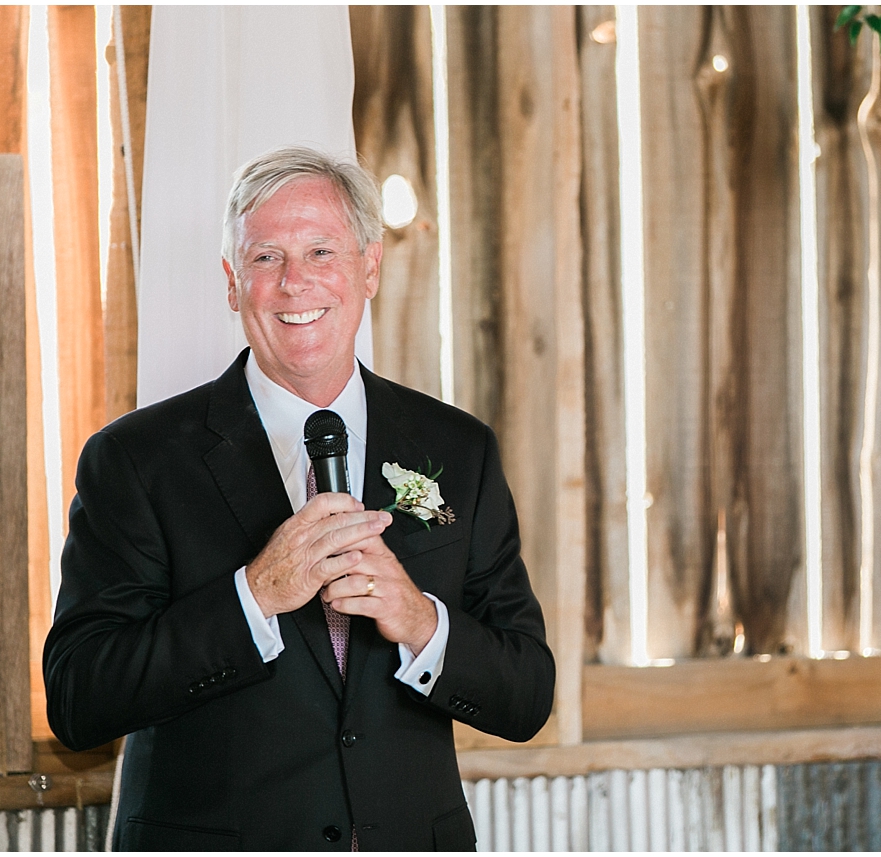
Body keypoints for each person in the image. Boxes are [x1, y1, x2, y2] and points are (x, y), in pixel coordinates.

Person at [43, 146, 555, 851]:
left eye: (321, 251)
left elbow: (526, 694)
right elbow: (78, 697)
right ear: (232, 283)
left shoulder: (460, 449)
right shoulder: (135, 459)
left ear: (368, 268)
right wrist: (253, 595)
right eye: (265, 259)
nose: (294, 283)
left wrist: (415, 617)